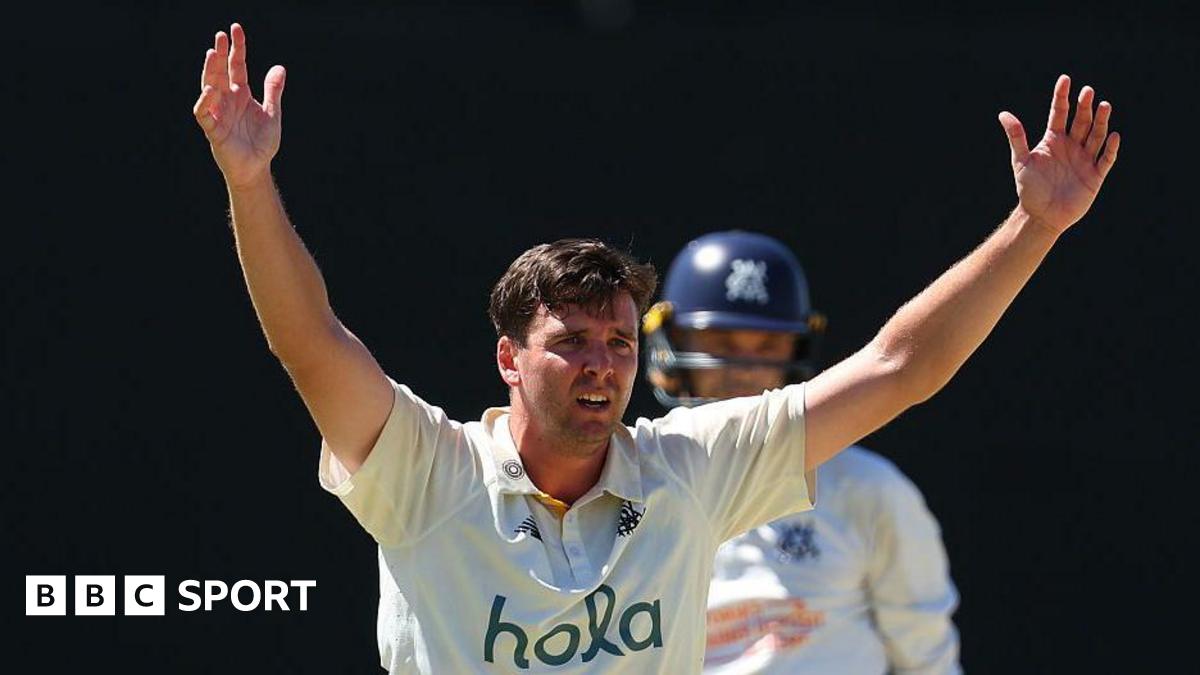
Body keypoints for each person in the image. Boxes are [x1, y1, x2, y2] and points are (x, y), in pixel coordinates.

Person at [192, 22, 1119, 674]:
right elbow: (307, 341)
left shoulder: (689, 469)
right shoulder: (429, 472)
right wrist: (249, 179)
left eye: (619, 341)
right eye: (571, 342)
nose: (603, 363)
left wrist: (1032, 229)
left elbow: (898, 368)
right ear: (509, 358)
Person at [644, 230, 960, 673]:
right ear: (671, 345)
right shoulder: (626, 486)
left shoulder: (867, 489)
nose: (744, 370)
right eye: (722, 342)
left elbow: (929, 661)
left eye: (768, 345)